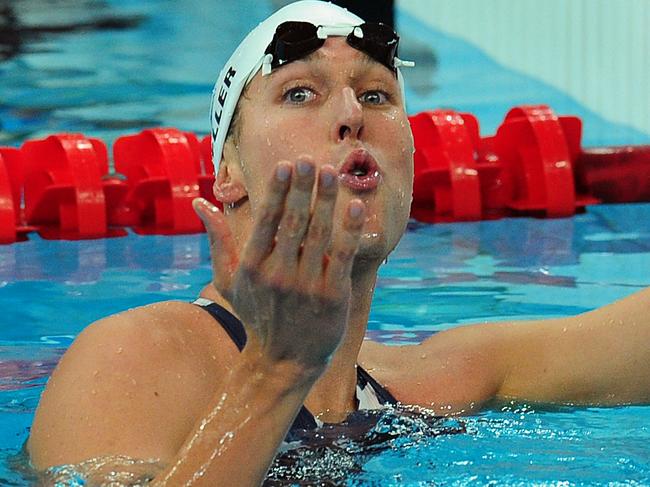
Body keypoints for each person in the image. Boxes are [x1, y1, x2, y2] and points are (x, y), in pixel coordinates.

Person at [27, 1, 650, 485]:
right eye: (300, 93)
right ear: (227, 173)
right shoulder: (132, 356)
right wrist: (275, 375)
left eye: (377, 94)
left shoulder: (422, 384)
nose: (352, 112)